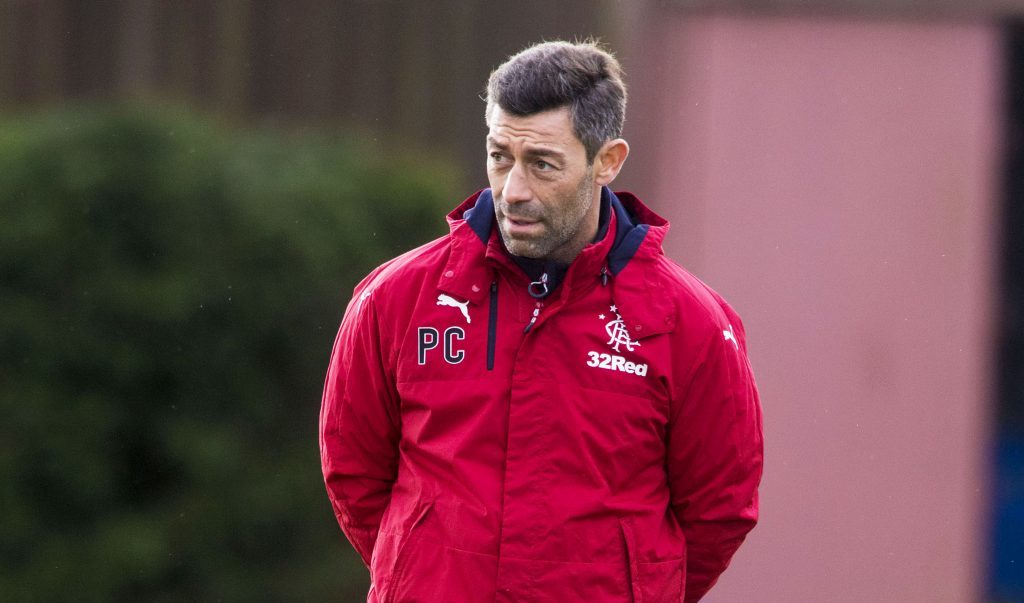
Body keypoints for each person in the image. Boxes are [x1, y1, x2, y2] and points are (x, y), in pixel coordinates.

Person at [320, 40, 763, 602]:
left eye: (542, 164)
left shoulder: (693, 325)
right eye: (500, 156)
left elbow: (720, 509)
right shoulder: (395, 298)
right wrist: (422, 572)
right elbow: (353, 472)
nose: (513, 190)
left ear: (607, 161)